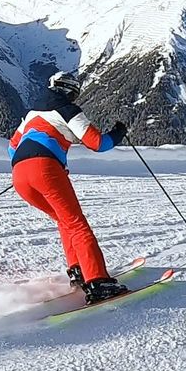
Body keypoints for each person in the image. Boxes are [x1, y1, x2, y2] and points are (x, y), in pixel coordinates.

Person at [8, 71, 129, 304]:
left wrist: (31, 163)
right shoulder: (68, 110)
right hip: (46, 170)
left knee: (64, 220)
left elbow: (12, 148)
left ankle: (78, 271)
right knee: (77, 223)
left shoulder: (31, 114)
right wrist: (118, 132)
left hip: (19, 175)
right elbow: (98, 143)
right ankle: (98, 282)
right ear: (72, 91)